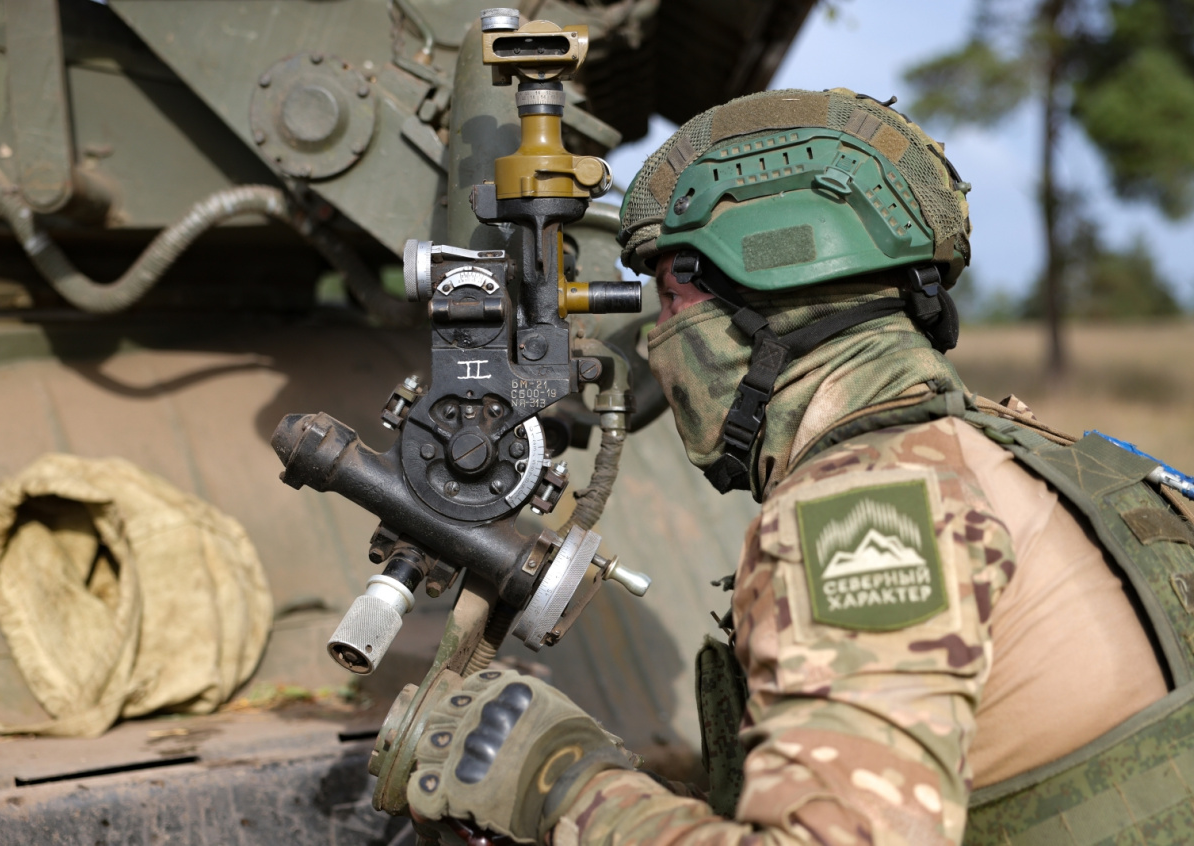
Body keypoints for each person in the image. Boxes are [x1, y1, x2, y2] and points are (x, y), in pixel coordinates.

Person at [405, 88, 1194, 845]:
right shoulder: (1047, 461)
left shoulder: (866, 511)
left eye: (670, 298)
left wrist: (561, 784)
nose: (654, 343)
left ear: (759, 300)